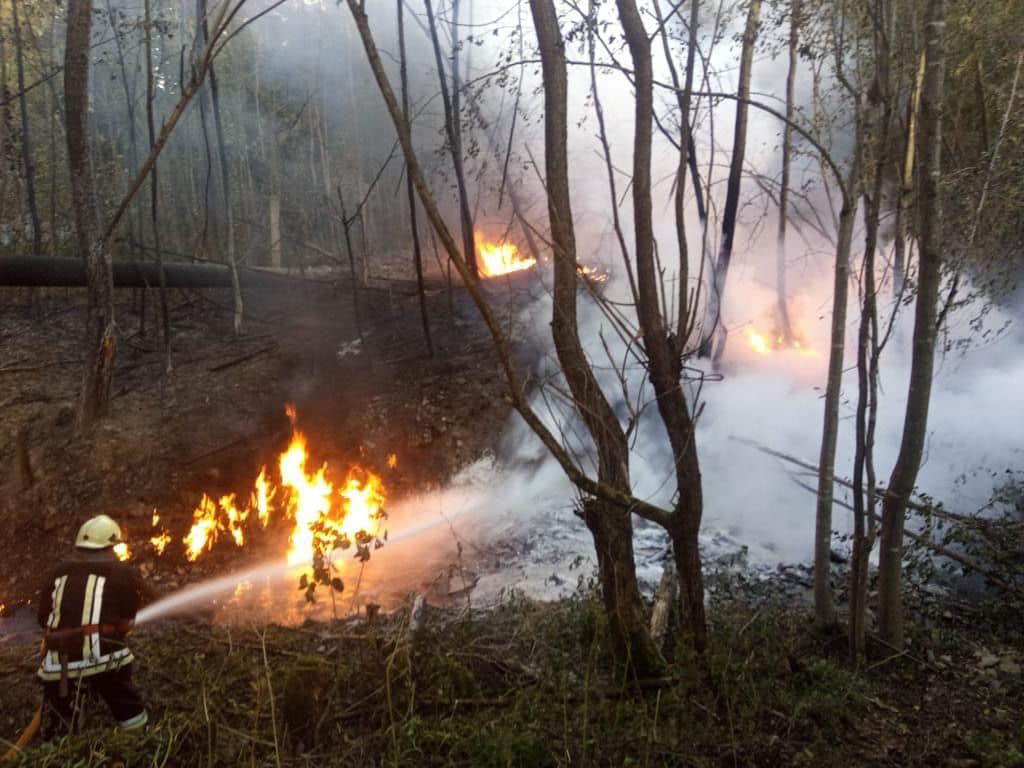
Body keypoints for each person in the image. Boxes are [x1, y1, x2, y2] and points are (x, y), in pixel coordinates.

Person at [36, 514, 148, 735]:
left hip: (59, 664)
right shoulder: (122, 572)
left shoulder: (57, 572)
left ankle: (60, 743)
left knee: (59, 721)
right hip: (105, 658)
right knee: (128, 706)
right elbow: (126, 621)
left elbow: (43, 618)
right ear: (111, 546)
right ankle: (137, 739)